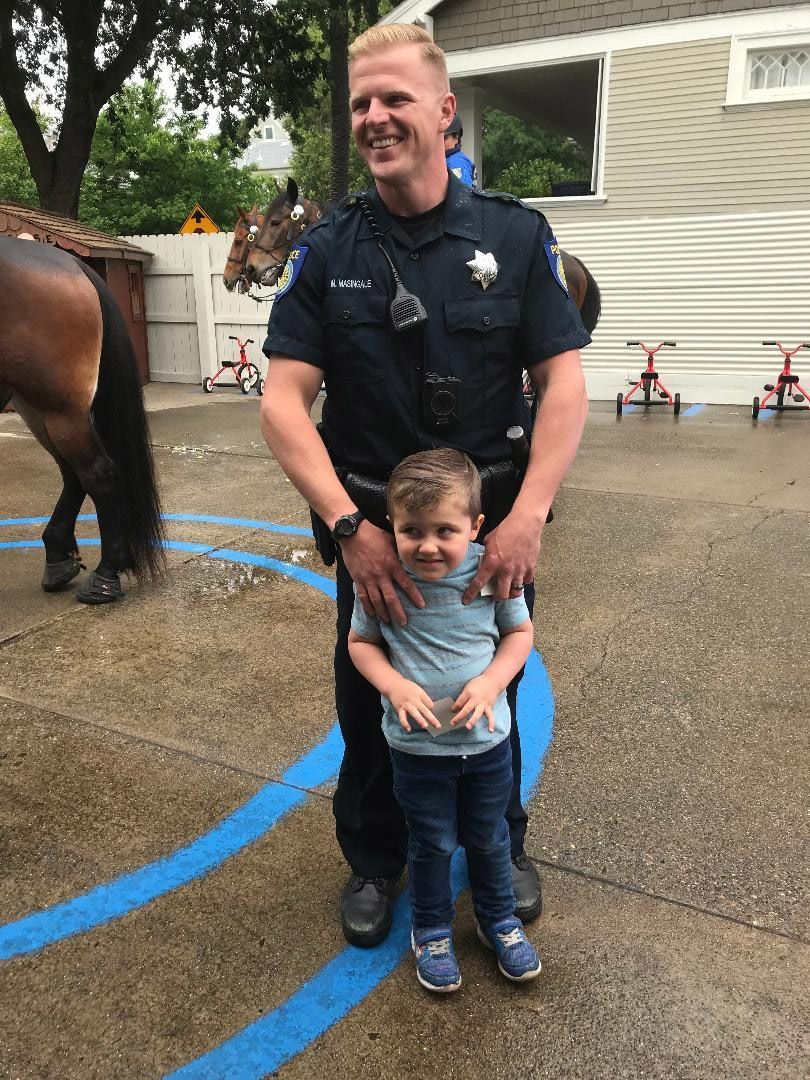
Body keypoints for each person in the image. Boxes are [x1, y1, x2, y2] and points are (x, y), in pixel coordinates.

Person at [260, 22, 590, 949]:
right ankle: (376, 857)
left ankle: (501, 845)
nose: (374, 117)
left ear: (444, 112)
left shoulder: (516, 236)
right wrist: (347, 527)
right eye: (361, 102)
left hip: (488, 530)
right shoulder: (328, 251)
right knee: (369, 698)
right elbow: (282, 403)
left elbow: (563, 384)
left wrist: (528, 517)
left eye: (394, 98)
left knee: (491, 688)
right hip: (375, 531)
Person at [348, 448, 541, 991]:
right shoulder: (382, 577)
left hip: (486, 744)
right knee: (430, 842)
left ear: (476, 526)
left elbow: (519, 633)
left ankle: (497, 919)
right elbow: (361, 643)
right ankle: (431, 930)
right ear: (391, 523)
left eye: (445, 530)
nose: (427, 545)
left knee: (490, 836)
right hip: (418, 749)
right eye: (411, 530)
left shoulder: (489, 569)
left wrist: (491, 682)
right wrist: (393, 684)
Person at [444, 113, 476, 186]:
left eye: (444, 138)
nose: (439, 142)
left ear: (456, 137)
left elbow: (461, 192)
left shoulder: (456, 163)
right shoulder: (449, 159)